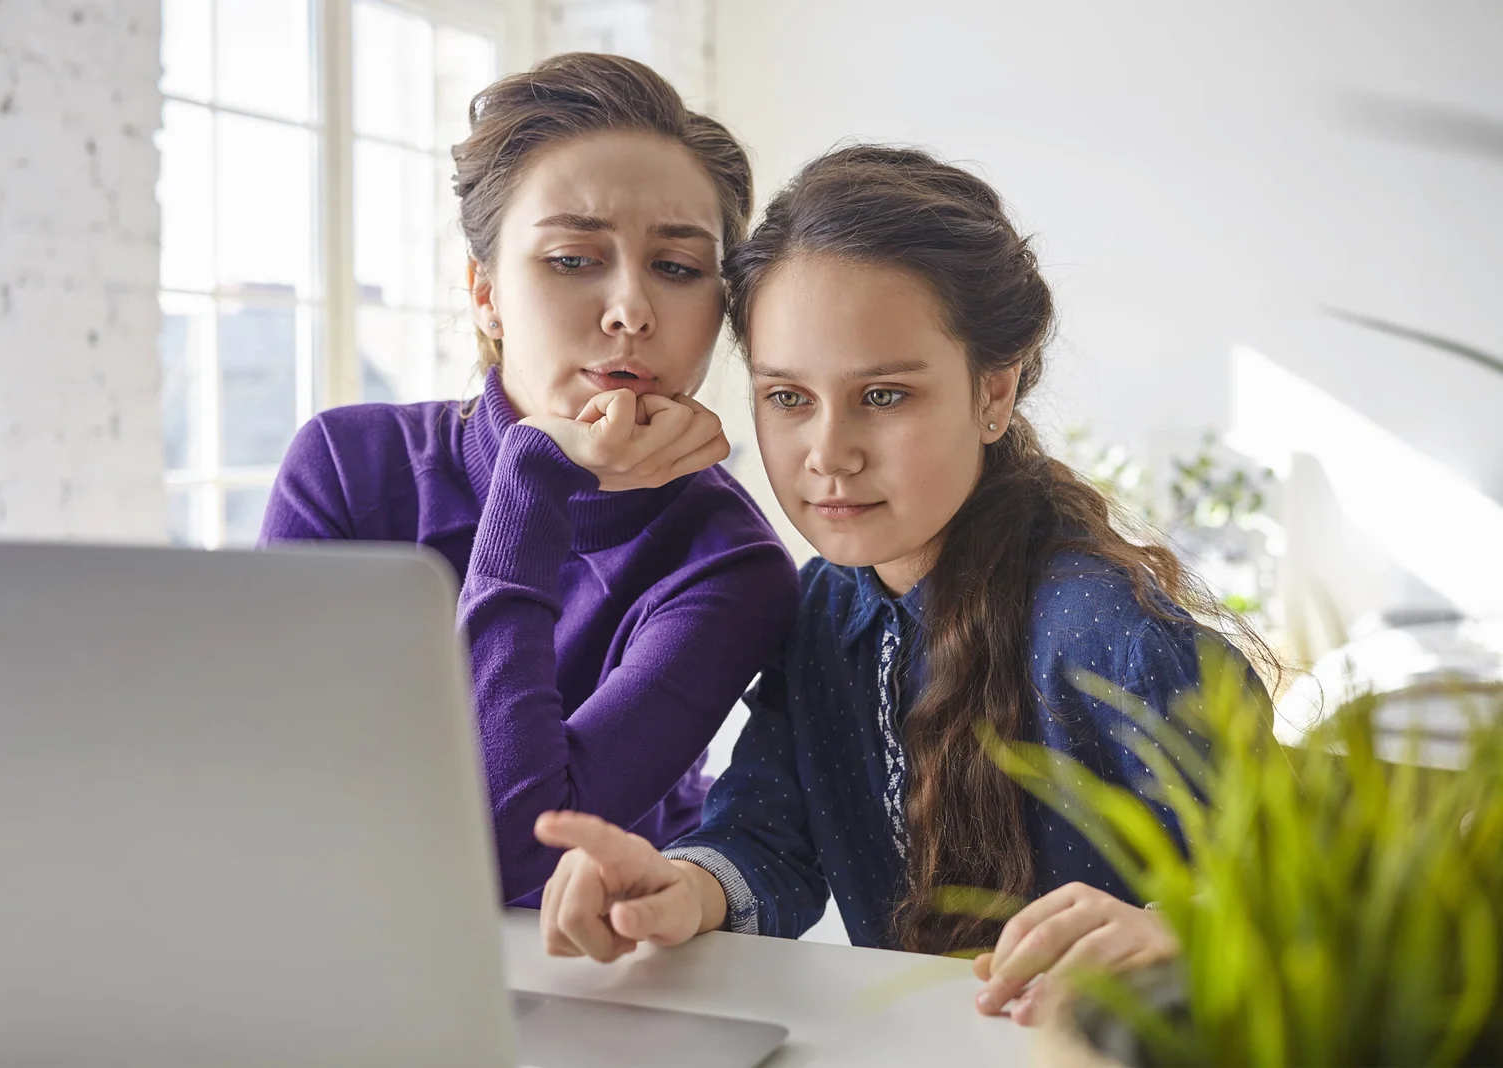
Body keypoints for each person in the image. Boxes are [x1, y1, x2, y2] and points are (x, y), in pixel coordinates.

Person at [533, 145, 1272, 1023]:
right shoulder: (822, 604)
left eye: (882, 396)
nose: (828, 454)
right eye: (787, 397)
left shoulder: (1105, 631)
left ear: (993, 392)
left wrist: (1182, 931)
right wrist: (681, 887)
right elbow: (772, 836)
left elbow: (1321, 908)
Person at [260, 54, 798, 904]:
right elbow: (273, 787)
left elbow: (513, 849)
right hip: (328, 922)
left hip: (596, 977)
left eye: (679, 268)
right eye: (574, 259)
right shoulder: (345, 467)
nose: (631, 310)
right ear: (485, 294)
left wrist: (532, 483)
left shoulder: (730, 565)